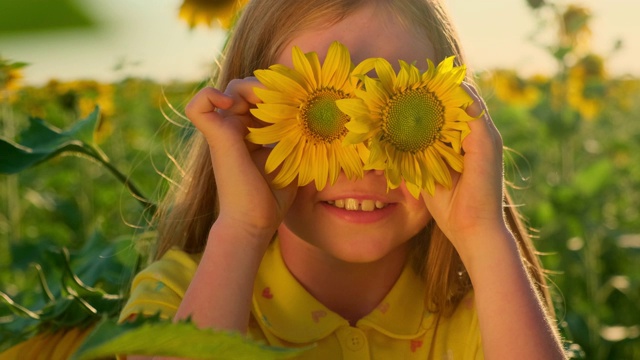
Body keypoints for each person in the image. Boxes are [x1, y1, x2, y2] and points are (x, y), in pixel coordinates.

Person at [119, 0, 567, 359]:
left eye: (397, 116)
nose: (363, 163)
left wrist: (484, 236)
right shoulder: (179, 298)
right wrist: (241, 229)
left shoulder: (486, 312)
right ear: (249, 129)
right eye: (324, 117)